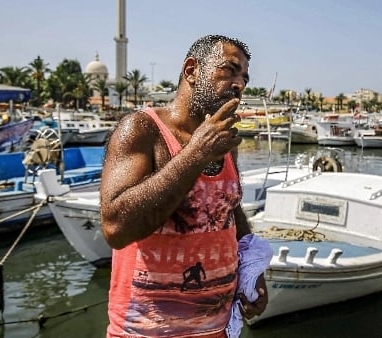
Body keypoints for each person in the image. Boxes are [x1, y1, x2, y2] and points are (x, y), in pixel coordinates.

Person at [100, 35, 268, 338]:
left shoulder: (222, 140)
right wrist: (196, 153)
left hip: (217, 328)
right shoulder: (142, 129)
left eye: (244, 77)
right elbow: (116, 228)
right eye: (229, 70)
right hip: (147, 331)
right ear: (191, 70)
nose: (239, 84)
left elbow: (228, 206)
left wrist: (251, 271)